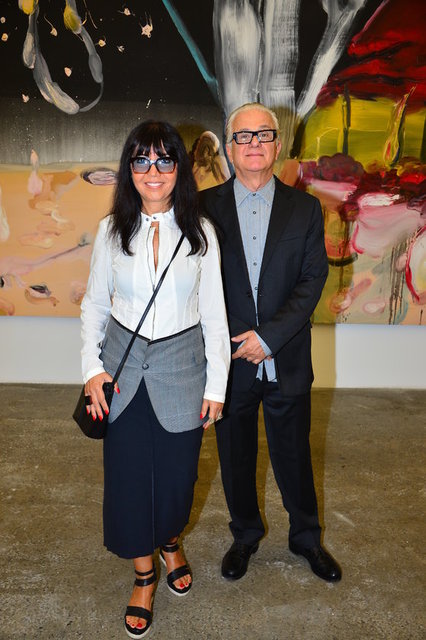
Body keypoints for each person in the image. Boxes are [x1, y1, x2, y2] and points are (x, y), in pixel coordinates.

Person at [80, 120, 230, 638]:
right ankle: (144, 575)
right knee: (127, 480)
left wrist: (217, 387)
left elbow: (215, 316)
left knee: (176, 479)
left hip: (183, 369)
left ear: (179, 168)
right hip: (122, 370)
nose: (153, 170)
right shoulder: (111, 230)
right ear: (129, 169)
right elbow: (94, 306)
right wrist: (91, 369)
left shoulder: (201, 233)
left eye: (164, 159)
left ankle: (170, 542)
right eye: (141, 159)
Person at [200, 103, 341, 583]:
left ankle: (306, 538)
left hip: (287, 359)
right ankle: (244, 535)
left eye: (264, 134)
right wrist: (234, 340)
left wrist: (269, 338)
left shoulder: (305, 209)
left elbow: (312, 280)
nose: (254, 143)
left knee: (294, 456)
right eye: (244, 136)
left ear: (278, 145)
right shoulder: (203, 208)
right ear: (229, 147)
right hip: (231, 362)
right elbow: (198, 284)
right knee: (235, 458)